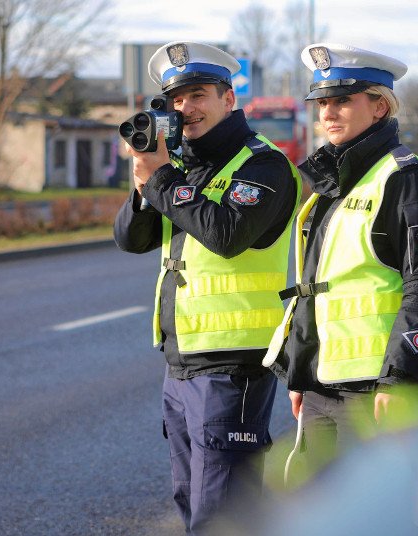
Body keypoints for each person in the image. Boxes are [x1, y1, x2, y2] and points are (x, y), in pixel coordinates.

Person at [113, 41, 301, 534]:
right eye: (175, 100)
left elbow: (226, 234)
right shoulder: (182, 170)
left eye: (197, 95)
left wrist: (164, 182)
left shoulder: (263, 165)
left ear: (229, 99)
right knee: (191, 501)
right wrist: (144, 184)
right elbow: (131, 240)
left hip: (232, 364)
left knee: (222, 514)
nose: (185, 109)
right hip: (181, 363)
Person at [263, 43, 418, 475]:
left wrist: (400, 378)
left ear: (380, 108)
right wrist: (302, 370)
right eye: (322, 103)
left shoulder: (406, 178)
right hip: (321, 388)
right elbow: (316, 287)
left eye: (343, 101)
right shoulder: (337, 179)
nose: (327, 113)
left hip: (376, 392)